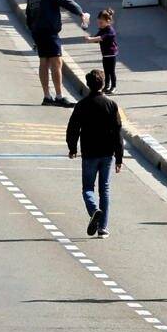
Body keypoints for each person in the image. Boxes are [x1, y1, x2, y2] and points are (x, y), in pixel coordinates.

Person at [66, 70, 126, 235]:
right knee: (104, 189)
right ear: (103, 83)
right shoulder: (111, 105)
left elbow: (73, 129)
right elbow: (117, 132)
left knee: (87, 188)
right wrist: (119, 157)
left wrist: (72, 148)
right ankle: (103, 228)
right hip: (107, 153)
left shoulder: (82, 105)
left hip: (89, 153)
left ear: (88, 84)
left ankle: (94, 210)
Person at [26, 0, 88, 105]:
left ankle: (47, 96)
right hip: (49, 31)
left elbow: (28, 16)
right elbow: (67, 2)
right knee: (56, 62)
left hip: (37, 32)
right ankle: (59, 97)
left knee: (43, 61)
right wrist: (80, 13)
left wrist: (33, 33)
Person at [94, 7, 119, 94]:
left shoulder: (110, 31)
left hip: (111, 54)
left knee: (111, 71)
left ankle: (113, 86)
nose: (99, 23)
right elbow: (96, 38)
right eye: (99, 22)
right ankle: (106, 85)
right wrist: (92, 39)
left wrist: (91, 39)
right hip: (105, 54)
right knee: (106, 71)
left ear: (108, 21)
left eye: (101, 22)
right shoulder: (102, 30)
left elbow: (102, 38)